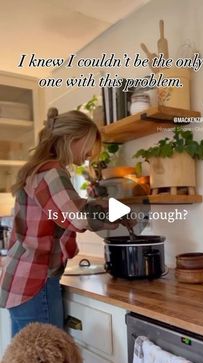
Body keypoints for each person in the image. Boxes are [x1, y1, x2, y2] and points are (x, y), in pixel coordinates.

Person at [0, 107, 118, 337]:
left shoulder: (38, 170)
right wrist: (118, 210)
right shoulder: (53, 172)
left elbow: (62, 211)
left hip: (21, 279)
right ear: (72, 139)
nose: (90, 153)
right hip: (36, 281)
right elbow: (79, 217)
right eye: (89, 144)